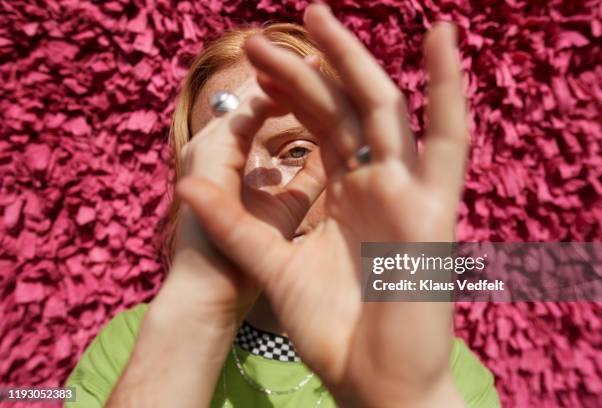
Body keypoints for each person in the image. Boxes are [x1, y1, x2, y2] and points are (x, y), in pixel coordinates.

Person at [65, 4, 500, 407]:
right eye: (226, 160)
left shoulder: (446, 374)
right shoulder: (129, 350)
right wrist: (196, 314)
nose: (255, 186)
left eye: (295, 151)